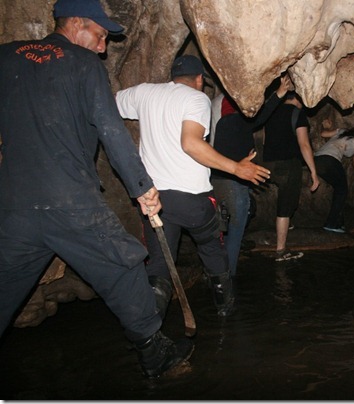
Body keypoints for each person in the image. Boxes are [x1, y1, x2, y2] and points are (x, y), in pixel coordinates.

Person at [0, 0, 192, 378]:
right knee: (125, 266)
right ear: (75, 23)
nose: (103, 48)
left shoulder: (6, 58)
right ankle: (156, 354)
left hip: (13, 205)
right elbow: (110, 129)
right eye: (100, 35)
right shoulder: (83, 64)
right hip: (72, 201)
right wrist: (143, 188)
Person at [115, 54, 270, 318]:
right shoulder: (197, 99)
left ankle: (150, 333)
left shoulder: (144, 93)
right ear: (199, 80)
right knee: (211, 250)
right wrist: (236, 167)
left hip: (155, 200)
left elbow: (110, 105)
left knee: (159, 267)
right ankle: (226, 311)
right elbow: (191, 143)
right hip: (193, 199)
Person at [211, 76, 291, 275]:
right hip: (232, 180)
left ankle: (215, 270)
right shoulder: (232, 114)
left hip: (218, 177)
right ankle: (227, 278)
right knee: (235, 229)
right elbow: (257, 118)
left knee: (223, 225)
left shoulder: (218, 109)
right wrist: (279, 93)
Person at [263, 91, 320, 261]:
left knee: (284, 200)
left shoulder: (271, 112)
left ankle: (287, 225)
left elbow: (265, 140)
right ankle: (281, 250)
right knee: (285, 207)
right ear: (297, 98)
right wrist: (313, 171)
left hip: (270, 163)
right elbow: (304, 144)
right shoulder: (297, 113)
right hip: (288, 164)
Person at [314, 121, 354, 233]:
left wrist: (328, 127)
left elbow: (323, 134)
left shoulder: (342, 131)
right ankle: (331, 224)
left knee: (338, 188)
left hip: (316, 160)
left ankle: (338, 222)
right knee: (342, 190)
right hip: (331, 161)